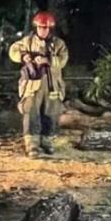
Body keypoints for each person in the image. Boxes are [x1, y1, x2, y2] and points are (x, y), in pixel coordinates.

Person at [8, 10, 69, 157]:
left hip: (52, 85)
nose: (43, 30)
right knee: (31, 113)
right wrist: (24, 56)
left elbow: (63, 60)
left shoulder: (59, 44)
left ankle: (47, 142)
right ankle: (32, 145)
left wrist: (48, 60)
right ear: (36, 27)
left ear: (51, 28)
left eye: (46, 27)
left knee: (51, 113)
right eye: (41, 27)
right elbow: (13, 51)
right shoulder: (27, 41)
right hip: (32, 85)